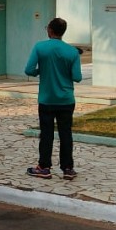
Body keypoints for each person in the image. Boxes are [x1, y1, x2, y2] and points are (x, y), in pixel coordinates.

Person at [24, 17, 83, 181]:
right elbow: (77, 77)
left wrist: (40, 71)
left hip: (46, 99)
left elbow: (29, 70)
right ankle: (68, 168)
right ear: (63, 32)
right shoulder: (72, 52)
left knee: (46, 134)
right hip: (66, 100)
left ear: (50, 30)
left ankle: (44, 167)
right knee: (66, 134)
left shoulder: (40, 47)